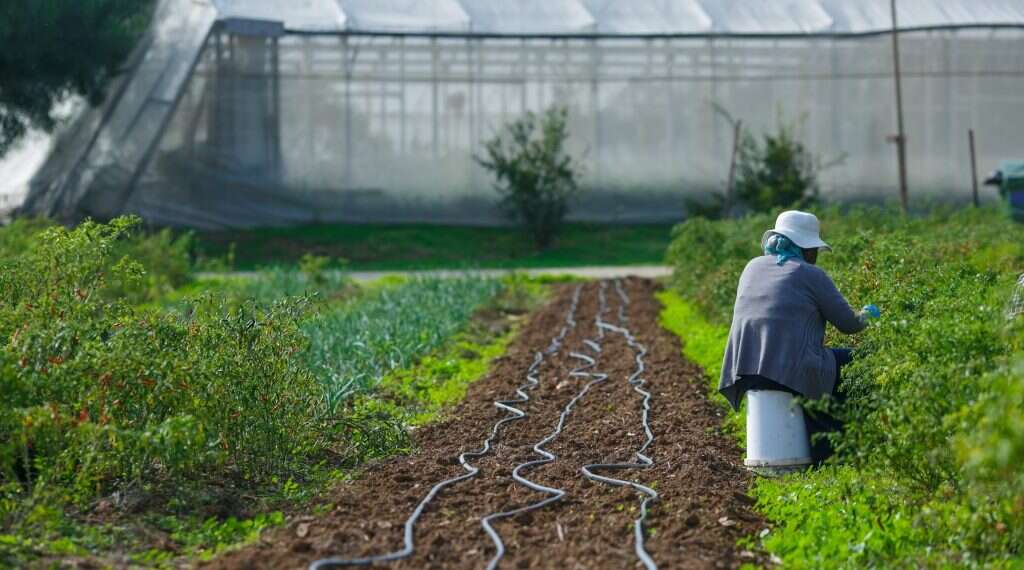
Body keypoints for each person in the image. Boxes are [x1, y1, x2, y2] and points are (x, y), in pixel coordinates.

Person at [718, 210, 880, 464]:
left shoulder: (752, 267)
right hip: (790, 370)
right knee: (857, 362)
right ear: (805, 249)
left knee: (829, 363)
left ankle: (826, 441)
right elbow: (849, 324)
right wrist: (868, 315)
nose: (815, 256)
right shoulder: (810, 274)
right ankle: (845, 447)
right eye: (814, 249)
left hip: (746, 370)